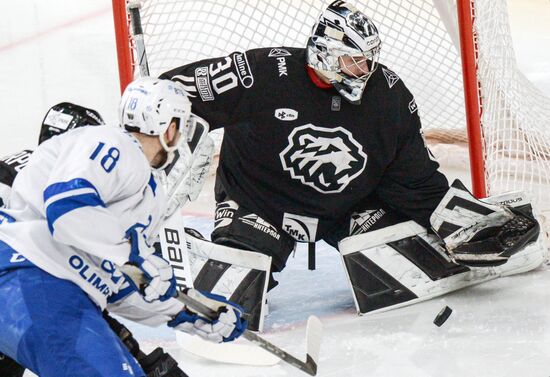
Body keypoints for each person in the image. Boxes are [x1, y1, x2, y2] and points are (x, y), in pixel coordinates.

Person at [159, 0, 542, 326]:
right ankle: (190, 259)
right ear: (325, 52)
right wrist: (170, 143)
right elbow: (170, 92)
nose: (365, 71)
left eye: (368, 61)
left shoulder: (387, 98)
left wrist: (458, 221)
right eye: (355, 61)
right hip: (260, 203)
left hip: (348, 207)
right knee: (230, 292)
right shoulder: (261, 74)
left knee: (400, 260)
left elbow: (414, 180)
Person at [0, 77, 246, 377]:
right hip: (29, 279)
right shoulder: (113, 142)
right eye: (179, 124)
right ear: (168, 126)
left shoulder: (147, 193)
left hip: (48, 292)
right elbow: (67, 208)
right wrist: (133, 255)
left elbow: (117, 288)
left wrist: (189, 312)